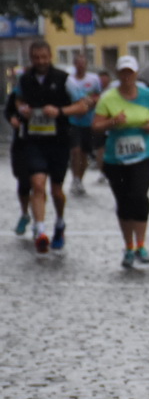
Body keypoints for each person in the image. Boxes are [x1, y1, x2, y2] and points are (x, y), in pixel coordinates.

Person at [5, 39, 88, 253]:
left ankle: (59, 223)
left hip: (58, 142)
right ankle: (40, 230)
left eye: (44, 57)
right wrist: (21, 110)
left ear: (50, 57)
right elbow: (17, 100)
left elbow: (82, 105)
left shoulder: (64, 79)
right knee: (38, 185)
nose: (40, 61)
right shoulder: (25, 79)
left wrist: (60, 112)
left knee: (57, 191)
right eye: (36, 58)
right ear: (31, 59)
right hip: (34, 141)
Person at [91, 55, 149, 268]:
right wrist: (113, 122)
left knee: (138, 196)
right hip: (116, 158)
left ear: (135, 74)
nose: (126, 77)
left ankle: (141, 244)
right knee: (123, 201)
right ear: (118, 74)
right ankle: (129, 246)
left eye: (130, 72)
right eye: (123, 72)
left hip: (145, 155)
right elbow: (95, 126)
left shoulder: (147, 95)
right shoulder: (108, 98)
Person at [66, 51, 102, 197]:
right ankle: (75, 178)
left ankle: (80, 179)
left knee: (84, 153)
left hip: (88, 121)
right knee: (75, 151)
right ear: (75, 65)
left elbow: (98, 95)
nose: (81, 66)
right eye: (78, 63)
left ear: (87, 65)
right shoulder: (69, 81)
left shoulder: (93, 79)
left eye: (83, 63)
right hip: (73, 121)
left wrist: (92, 102)